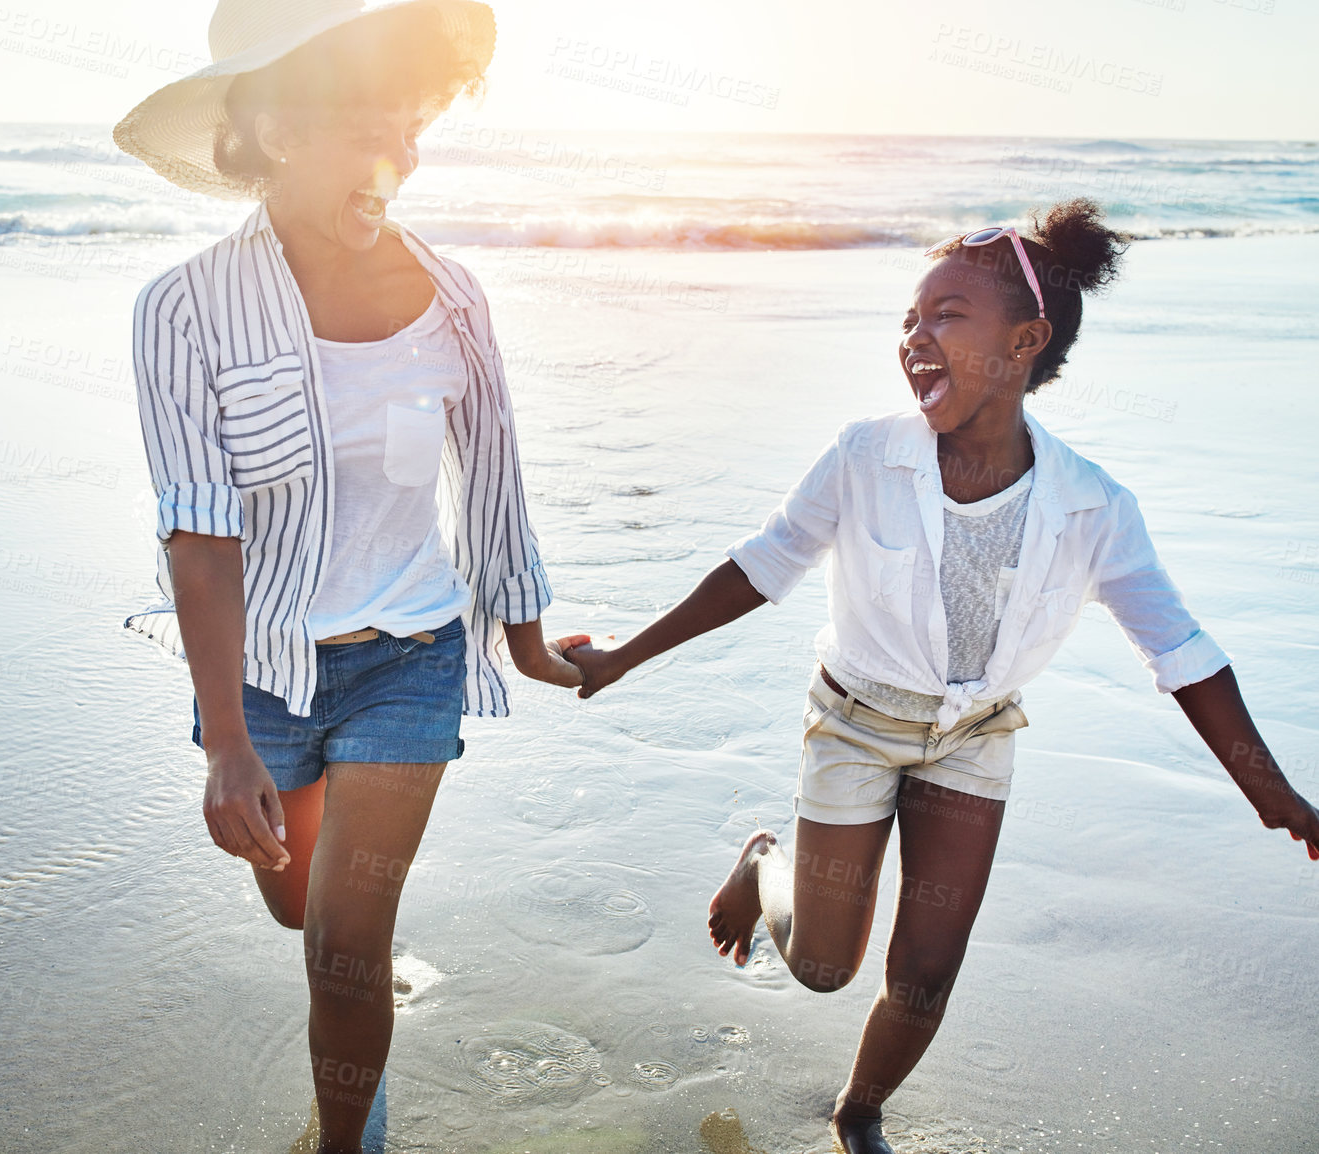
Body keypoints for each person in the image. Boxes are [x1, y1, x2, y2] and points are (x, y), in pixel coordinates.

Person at [564, 199, 1319, 1154]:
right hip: (853, 722)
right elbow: (763, 566)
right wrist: (623, 657)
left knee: (926, 971)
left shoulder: (1094, 507)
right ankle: (765, 863)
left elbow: (1184, 653)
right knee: (827, 968)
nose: (916, 337)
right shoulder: (865, 455)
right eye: (909, 320)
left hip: (975, 739)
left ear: (1025, 342)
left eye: (947, 316)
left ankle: (859, 1112)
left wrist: (1273, 793)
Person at [112, 2, 584, 1151]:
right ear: (273, 129)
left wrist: (522, 634)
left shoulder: (455, 295)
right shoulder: (183, 311)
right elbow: (200, 534)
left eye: (410, 129)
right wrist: (226, 739)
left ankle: (347, 1132)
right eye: (370, 128)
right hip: (264, 672)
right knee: (296, 904)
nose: (400, 159)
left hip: (412, 654)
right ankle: (353, 999)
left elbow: (495, 474)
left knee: (342, 945)